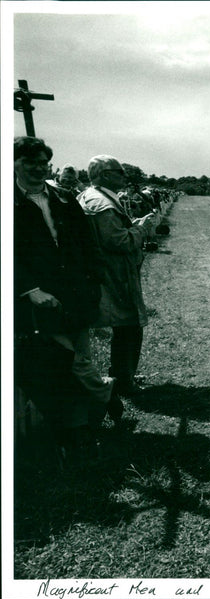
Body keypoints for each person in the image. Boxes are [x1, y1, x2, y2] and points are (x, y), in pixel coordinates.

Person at [13, 137, 115, 464]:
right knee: (62, 365)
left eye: (43, 163)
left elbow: (87, 243)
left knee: (80, 359)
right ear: (14, 163)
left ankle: (85, 421)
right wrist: (30, 290)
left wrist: (95, 279)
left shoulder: (63, 198)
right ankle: (87, 420)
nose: (38, 169)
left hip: (76, 297)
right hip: (38, 304)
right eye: (31, 163)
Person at [79, 156, 158, 411]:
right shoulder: (102, 203)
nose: (124, 176)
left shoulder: (92, 196)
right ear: (104, 175)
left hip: (109, 273)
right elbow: (119, 242)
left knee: (125, 328)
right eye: (119, 172)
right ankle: (124, 380)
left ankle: (122, 375)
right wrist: (142, 228)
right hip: (114, 276)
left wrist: (131, 228)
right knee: (130, 326)